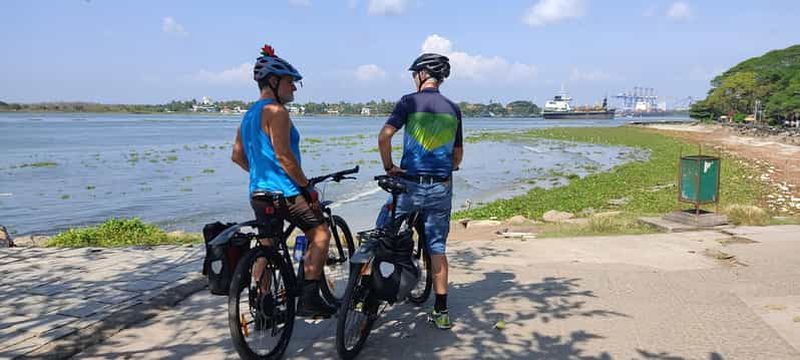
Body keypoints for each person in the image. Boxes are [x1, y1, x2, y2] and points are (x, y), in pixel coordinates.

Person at [231, 43, 336, 317]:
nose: (294, 88)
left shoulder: (249, 115)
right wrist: (306, 188)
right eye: (290, 82)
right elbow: (285, 156)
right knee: (320, 234)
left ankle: (263, 305)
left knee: (267, 247)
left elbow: (237, 156)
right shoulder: (276, 112)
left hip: (259, 193)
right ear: (274, 82)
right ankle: (310, 298)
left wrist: (260, 175)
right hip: (286, 193)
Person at [377, 53, 463, 329]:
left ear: (422, 75)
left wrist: (389, 165)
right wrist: (446, 167)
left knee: (381, 232)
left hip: (410, 184)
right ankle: (442, 312)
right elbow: (458, 156)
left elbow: (385, 135)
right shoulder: (453, 109)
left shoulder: (409, 102)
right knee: (436, 248)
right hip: (440, 187)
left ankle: (364, 297)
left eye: (415, 74)